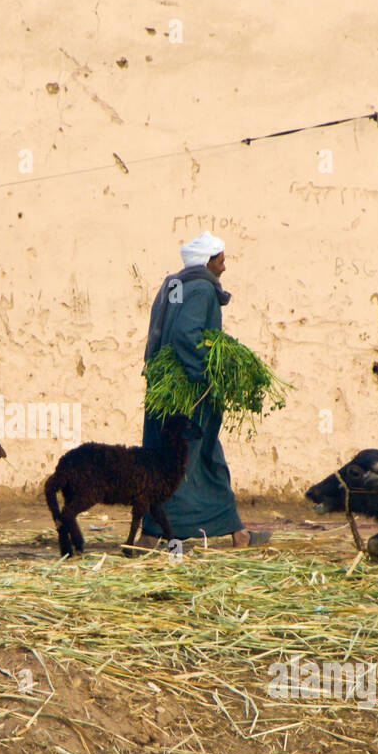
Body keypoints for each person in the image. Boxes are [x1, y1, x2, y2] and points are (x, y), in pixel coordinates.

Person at [136, 231, 270, 550]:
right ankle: (232, 534)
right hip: (190, 394)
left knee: (165, 458)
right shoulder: (201, 290)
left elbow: (160, 333)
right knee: (201, 458)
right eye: (221, 261)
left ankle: (150, 535)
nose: (224, 268)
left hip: (165, 391)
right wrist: (204, 375)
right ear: (208, 262)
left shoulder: (174, 285)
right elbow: (186, 334)